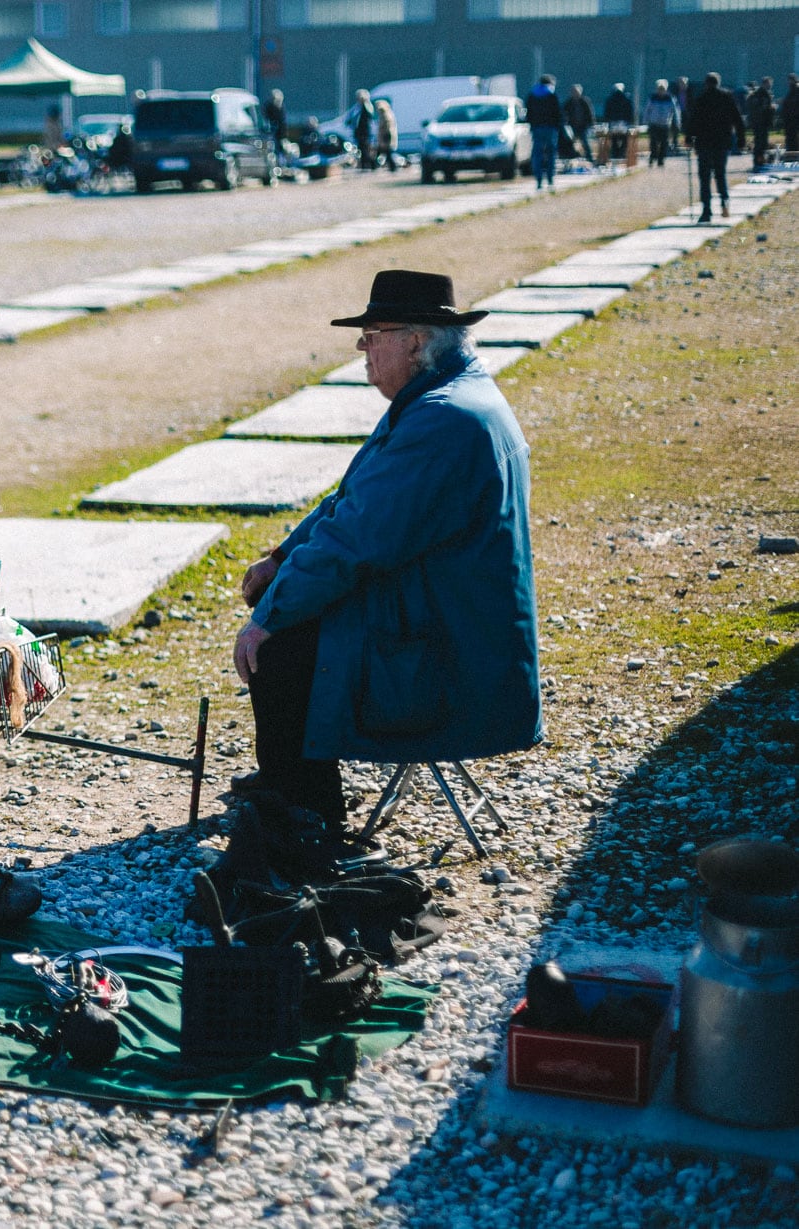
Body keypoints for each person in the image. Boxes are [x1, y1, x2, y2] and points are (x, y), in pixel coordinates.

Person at [230, 270, 541, 832]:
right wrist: (280, 559)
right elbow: (352, 503)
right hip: (443, 607)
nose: (362, 348)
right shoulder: (439, 396)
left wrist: (268, 618)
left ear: (416, 341)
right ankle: (288, 780)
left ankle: (305, 813)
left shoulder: (442, 418)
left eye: (373, 334)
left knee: (279, 648)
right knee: (287, 609)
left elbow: (355, 542)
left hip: (452, 645)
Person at [687, 72, 744, 222]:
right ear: (718, 83)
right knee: (720, 174)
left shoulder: (701, 99)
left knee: (704, 177)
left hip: (704, 142)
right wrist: (741, 138)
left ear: (706, 84)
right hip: (722, 142)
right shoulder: (727, 97)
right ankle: (725, 201)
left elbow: (693, 120)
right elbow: (737, 119)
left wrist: (688, 138)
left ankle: (706, 210)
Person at [526, 75, 563, 189]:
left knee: (537, 153)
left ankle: (539, 179)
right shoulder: (552, 94)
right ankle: (550, 178)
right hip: (550, 128)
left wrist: (532, 125)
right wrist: (558, 126)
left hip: (537, 128)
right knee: (551, 153)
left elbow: (528, 112)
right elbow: (558, 112)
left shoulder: (532, 95)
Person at [642, 80, 678, 168]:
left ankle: (661, 160)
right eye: (659, 89)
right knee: (653, 142)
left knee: (664, 143)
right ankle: (653, 156)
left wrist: (676, 122)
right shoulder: (652, 98)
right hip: (654, 123)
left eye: (663, 89)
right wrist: (645, 120)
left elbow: (675, 111)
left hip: (665, 124)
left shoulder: (670, 99)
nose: (661, 91)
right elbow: (647, 110)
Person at [747, 77, 776, 168]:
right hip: (761, 122)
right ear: (764, 84)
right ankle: (759, 162)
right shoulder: (761, 94)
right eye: (769, 84)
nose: (770, 86)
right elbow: (761, 108)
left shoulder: (758, 94)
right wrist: (771, 108)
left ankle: (759, 161)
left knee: (761, 143)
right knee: (761, 143)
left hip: (759, 122)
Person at [602, 83, 634, 162]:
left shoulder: (610, 99)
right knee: (623, 138)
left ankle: (616, 153)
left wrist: (607, 121)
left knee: (615, 139)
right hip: (623, 123)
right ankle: (621, 153)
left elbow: (607, 112)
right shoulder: (627, 99)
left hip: (615, 123)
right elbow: (630, 112)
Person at [563, 85, 596, 162]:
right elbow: (563, 113)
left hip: (583, 126)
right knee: (569, 142)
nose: (575, 94)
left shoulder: (585, 101)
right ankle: (571, 157)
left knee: (585, 142)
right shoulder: (568, 103)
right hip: (572, 126)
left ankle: (590, 159)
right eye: (574, 92)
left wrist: (592, 124)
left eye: (577, 92)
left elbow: (590, 113)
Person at [352, 90, 376, 170]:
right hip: (359, 132)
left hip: (366, 132)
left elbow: (370, 116)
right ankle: (363, 165)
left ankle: (370, 165)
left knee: (367, 149)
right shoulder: (357, 108)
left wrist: (365, 102)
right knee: (362, 149)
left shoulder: (367, 106)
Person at [374, 99, 399, 171]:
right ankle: (391, 167)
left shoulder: (386, 115)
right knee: (386, 153)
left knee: (387, 153)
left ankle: (392, 167)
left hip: (386, 137)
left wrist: (384, 140)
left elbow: (387, 128)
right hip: (385, 136)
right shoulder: (386, 114)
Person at [264, 89, 289, 156]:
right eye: (275, 99)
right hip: (270, 133)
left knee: (281, 149)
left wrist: (284, 137)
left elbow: (283, 124)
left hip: (280, 135)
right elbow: (266, 120)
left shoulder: (282, 109)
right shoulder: (268, 107)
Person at [782, 75, 799, 159]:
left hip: (793, 119)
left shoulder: (795, 90)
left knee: (792, 140)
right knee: (792, 139)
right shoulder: (792, 90)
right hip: (791, 119)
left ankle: (793, 157)